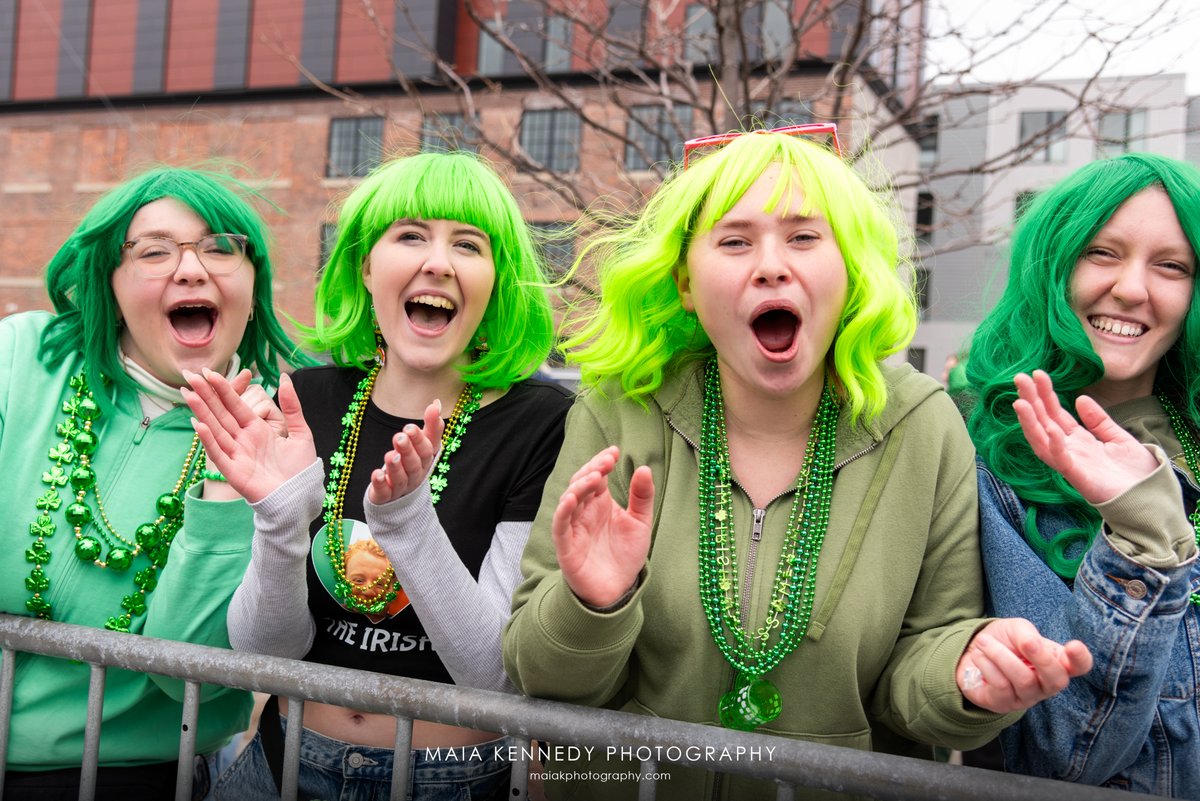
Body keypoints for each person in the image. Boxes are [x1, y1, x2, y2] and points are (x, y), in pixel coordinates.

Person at [501, 126, 1090, 800]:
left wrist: (965, 671)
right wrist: (591, 603)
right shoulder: (616, 411)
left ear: (851, 269)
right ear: (686, 283)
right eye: (734, 241)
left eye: (804, 237)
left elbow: (919, 669)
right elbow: (539, 676)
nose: (771, 266)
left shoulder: (922, 425)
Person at [184, 151, 572, 801]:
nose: (438, 262)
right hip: (282, 760)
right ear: (366, 267)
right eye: (411, 236)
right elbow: (265, 654)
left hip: (451, 781)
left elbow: (496, 677)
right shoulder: (306, 400)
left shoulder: (542, 423)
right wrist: (280, 519)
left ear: (496, 281)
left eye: (468, 245)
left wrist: (408, 523)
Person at [0, 167, 309, 800]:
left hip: (126, 781)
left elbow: (189, 674)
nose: (191, 270)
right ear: (110, 284)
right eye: (154, 251)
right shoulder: (21, 357)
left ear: (253, 288)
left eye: (221, 248)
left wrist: (230, 490)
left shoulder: (285, 437)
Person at [966, 153, 1200, 797]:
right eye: (1102, 253)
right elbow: (1062, 756)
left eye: (1172, 265)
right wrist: (1142, 540)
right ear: (1052, 267)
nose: (1131, 289)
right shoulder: (981, 468)